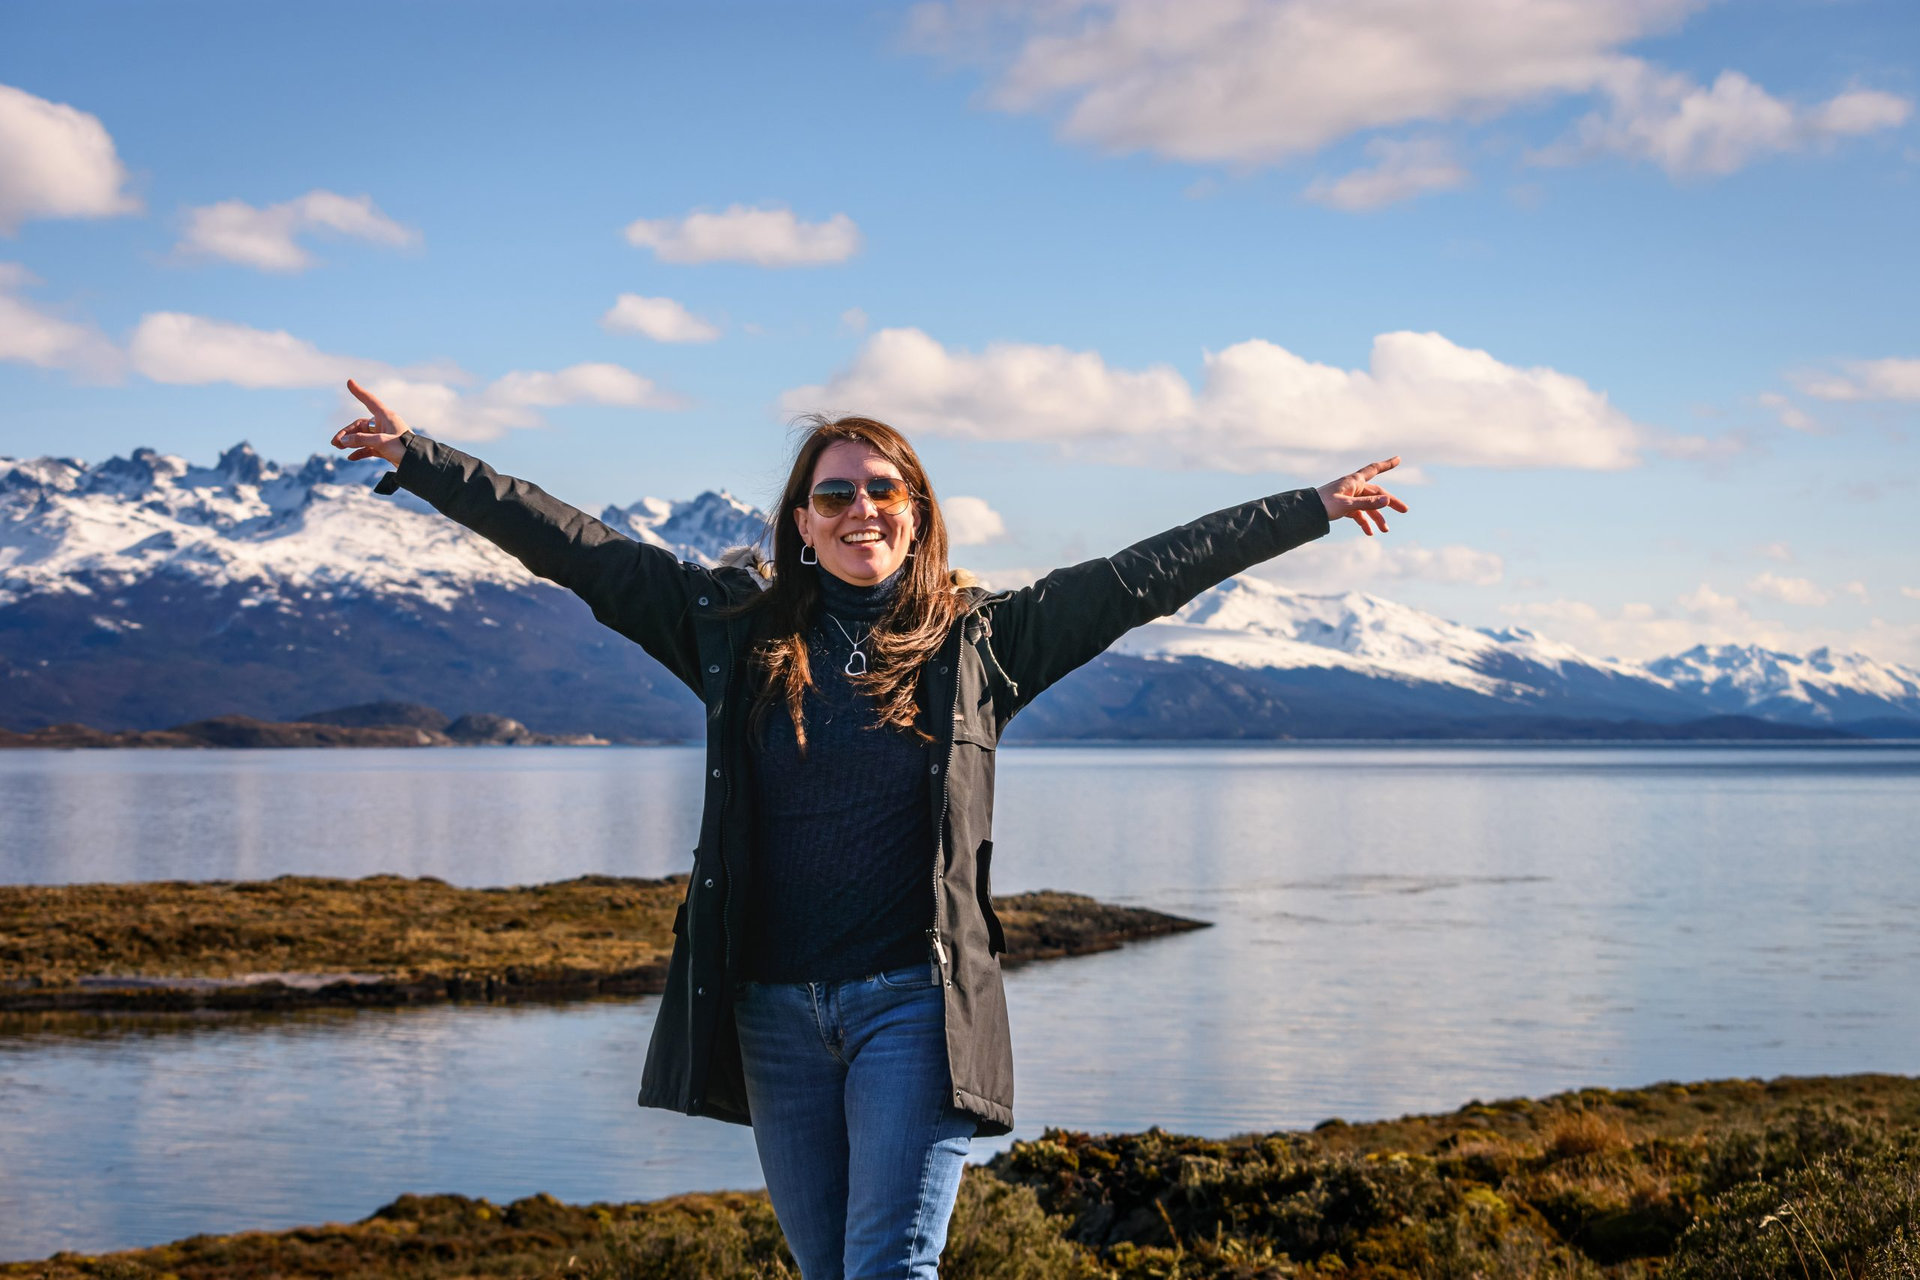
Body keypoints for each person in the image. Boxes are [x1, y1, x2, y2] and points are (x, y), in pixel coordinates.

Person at [330, 377, 1407, 1279]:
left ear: (918, 511)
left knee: (889, 1267)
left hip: (913, 1005)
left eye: (882, 489)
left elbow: (1142, 579)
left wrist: (1305, 507)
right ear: (801, 521)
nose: (860, 509)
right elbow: (580, 551)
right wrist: (422, 459)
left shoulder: (985, 643)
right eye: (833, 492)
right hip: (774, 1013)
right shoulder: (731, 632)